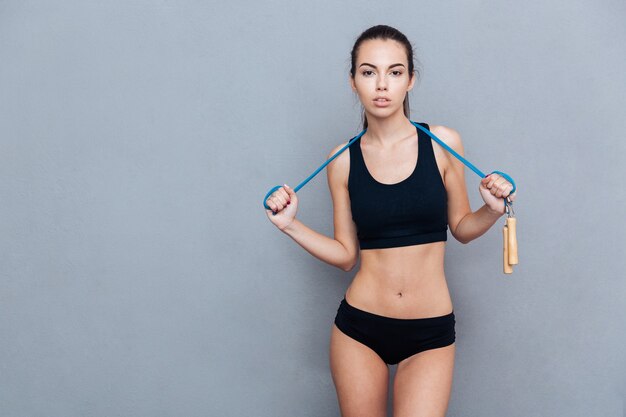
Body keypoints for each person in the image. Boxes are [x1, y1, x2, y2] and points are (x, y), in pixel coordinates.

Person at [264, 24, 517, 417]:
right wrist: (290, 225)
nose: (382, 84)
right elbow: (347, 255)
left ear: (410, 80)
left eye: (394, 72)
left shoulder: (444, 143)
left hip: (429, 331)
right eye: (369, 72)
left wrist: (491, 209)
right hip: (360, 329)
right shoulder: (342, 159)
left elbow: (462, 229)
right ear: (353, 81)